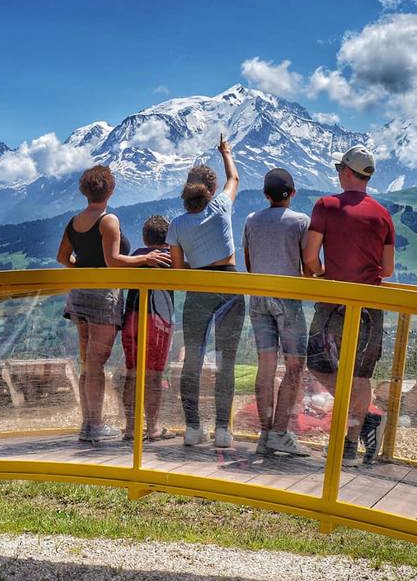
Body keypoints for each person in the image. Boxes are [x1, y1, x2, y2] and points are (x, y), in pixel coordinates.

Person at [56, 165, 170, 442]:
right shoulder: (108, 221)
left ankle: (88, 423)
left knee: (88, 363)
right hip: (103, 297)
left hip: (79, 295)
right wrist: (146, 258)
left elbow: (62, 258)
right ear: (111, 189)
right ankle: (95, 425)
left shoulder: (74, 221)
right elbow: (113, 261)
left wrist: (83, 273)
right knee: (97, 362)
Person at [302, 145, 395, 467]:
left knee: (316, 362)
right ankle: (351, 442)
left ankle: (360, 421)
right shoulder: (383, 214)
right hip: (371, 306)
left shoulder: (326, 205)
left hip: (332, 304)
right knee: (361, 375)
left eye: (338, 169)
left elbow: (311, 257)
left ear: (345, 172)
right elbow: (389, 269)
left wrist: (323, 273)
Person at [168, 134, 246, 448]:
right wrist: (225, 151)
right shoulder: (221, 208)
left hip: (198, 288)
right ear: (210, 191)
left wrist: (197, 264)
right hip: (229, 286)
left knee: (193, 360)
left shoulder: (176, 224)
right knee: (227, 360)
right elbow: (234, 177)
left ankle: (192, 427)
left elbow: (177, 269)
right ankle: (223, 431)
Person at [243, 168, 311, 456]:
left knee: (266, 367)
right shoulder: (301, 222)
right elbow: (308, 266)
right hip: (288, 297)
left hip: (258, 298)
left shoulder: (251, 220)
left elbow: (248, 262)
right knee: (295, 365)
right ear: (293, 193)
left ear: (265, 195)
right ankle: (280, 432)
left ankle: (264, 432)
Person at [121, 215, 176, 441]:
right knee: (153, 376)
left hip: (132, 317)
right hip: (158, 320)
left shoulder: (135, 256)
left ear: (144, 237)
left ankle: (131, 428)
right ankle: (152, 427)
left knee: (133, 374)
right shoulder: (169, 258)